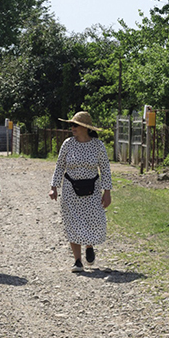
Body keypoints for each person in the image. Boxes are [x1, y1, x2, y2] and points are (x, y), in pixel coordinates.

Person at [49, 111, 112, 272]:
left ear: (85, 127)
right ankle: (77, 261)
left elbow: (105, 169)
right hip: (71, 189)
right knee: (72, 223)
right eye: (71, 125)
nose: (72, 128)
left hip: (92, 189)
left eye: (75, 125)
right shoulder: (68, 144)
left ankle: (89, 245)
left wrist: (107, 192)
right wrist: (54, 187)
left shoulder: (98, 145)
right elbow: (60, 165)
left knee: (92, 220)